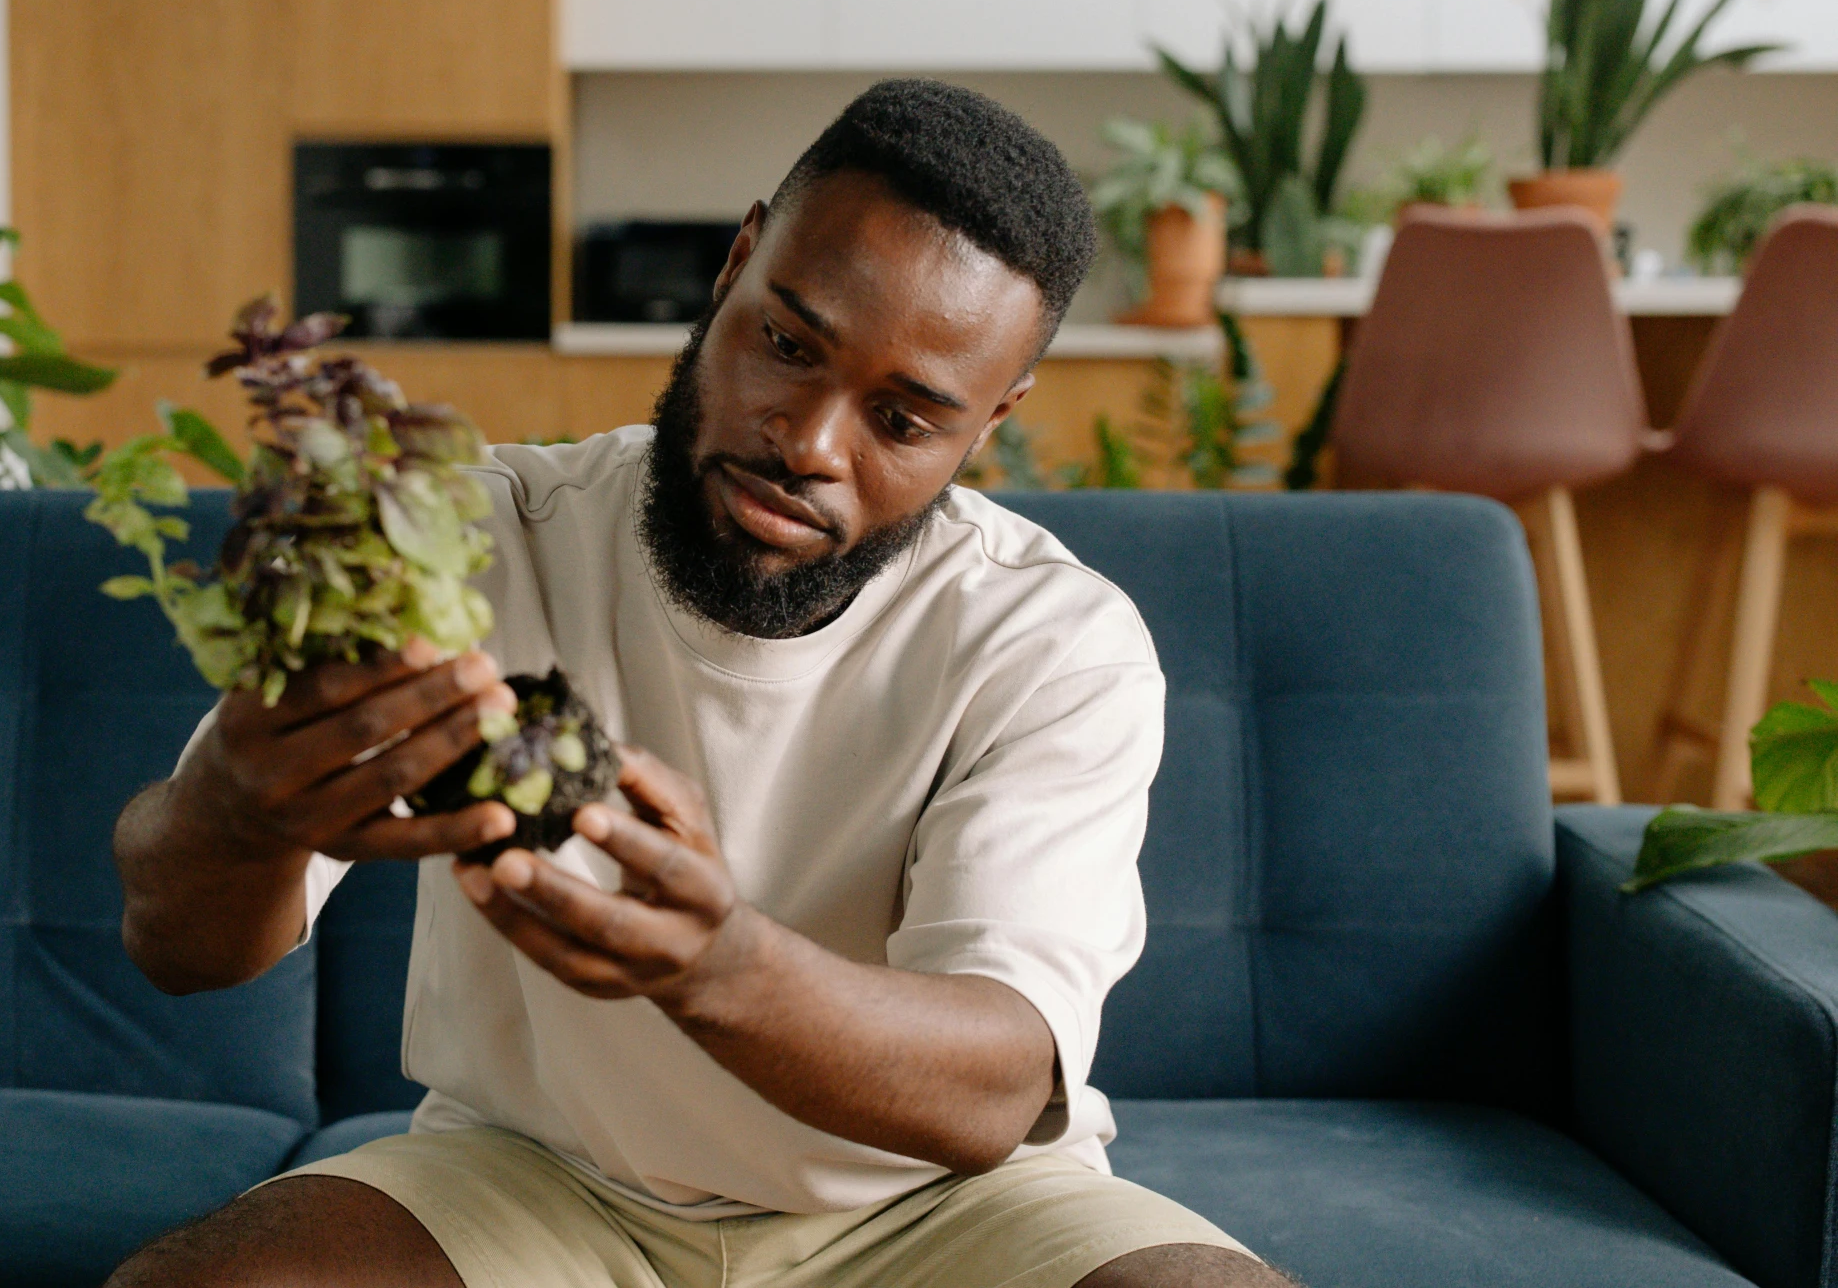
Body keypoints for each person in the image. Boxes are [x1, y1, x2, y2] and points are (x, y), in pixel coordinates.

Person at [107, 80, 1289, 1288]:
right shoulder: (469, 541)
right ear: (735, 264)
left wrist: (714, 965)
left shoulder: (1050, 640)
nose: (811, 443)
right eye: (787, 343)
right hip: (532, 1179)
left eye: (902, 418)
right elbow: (180, 945)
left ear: (990, 421)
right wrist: (236, 812)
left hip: (936, 1212)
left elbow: (988, 1090)